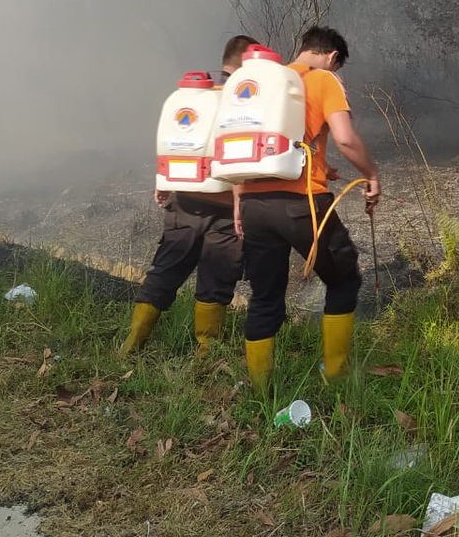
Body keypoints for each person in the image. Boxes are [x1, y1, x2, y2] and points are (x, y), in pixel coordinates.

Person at [238, 26, 380, 392]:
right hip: (301, 205)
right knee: (344, 278)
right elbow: (346, 138)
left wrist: (240, 202)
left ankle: (260, 391)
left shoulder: (267, 83)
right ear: (332, 57)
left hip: (254, 203)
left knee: (265, 295)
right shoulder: (323, 80)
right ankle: (335, 375)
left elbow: (249, 147)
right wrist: (371, 174)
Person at [120, 34, 258, 357]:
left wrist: (162, 180)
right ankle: (206, 353)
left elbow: (169, 140)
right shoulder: (241, 102)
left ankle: (132, 343)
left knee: (165, 270)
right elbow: (238, 157)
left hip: (184, 203)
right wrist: (242, 202)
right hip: (226, 207)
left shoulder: (191, 96)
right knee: (215, 281)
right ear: (248, 63)